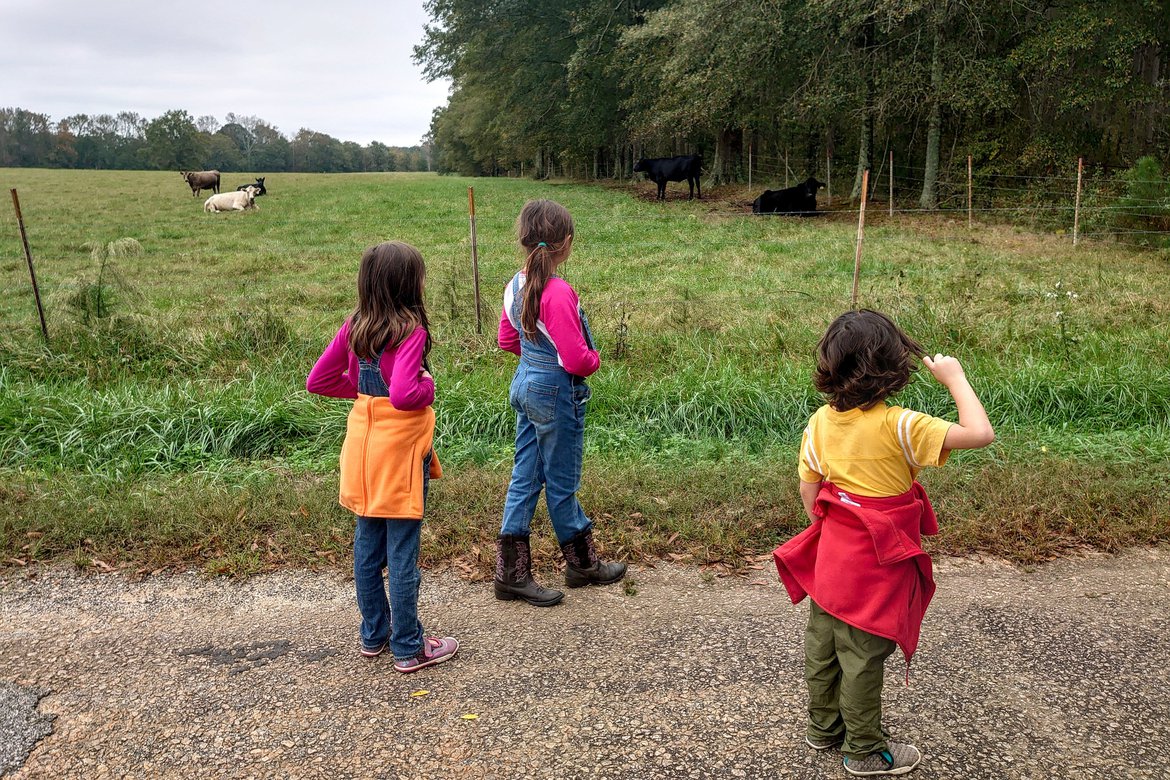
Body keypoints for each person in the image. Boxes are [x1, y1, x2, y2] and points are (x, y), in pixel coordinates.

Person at [773, 309, 994, 776]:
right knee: (863, 655)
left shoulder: (820, 422)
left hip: (833, 558)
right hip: (878, 562)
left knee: (824, 644)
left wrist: (830, 525)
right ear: (892, 366)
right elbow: (980, 433)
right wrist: (954, 378)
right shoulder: (902, 425)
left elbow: (809, 489)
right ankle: (865, 750)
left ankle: (823, 728)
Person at [306, 241, 458, 673]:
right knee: (403, 551)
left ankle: (374, 635)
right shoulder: (410, 331)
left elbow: (317, 381)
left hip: (361, 452)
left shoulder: (354, 326)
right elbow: (407, 394)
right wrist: (429, 388)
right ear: (409, 285)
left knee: (367, 548)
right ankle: (409, 646)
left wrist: (360, 394)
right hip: (399, 456)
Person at [494, 199, 627, 607]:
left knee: (525, 477)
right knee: (563, 482)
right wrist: (595, 359)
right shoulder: (559, 292)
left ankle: (510, 575)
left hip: (525, 387)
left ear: (523, 241)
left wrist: (534, 361)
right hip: (556, 393)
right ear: (566, 243)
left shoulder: (514, 286)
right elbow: (575, 359)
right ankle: (582, 564)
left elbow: (506, 340)